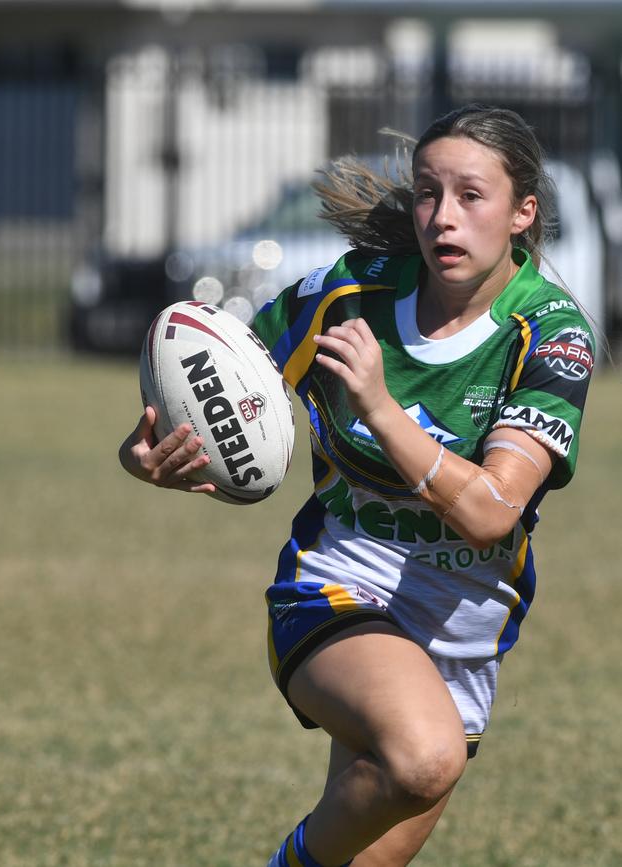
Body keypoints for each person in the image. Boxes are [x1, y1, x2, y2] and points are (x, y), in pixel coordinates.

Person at [119, 104, 595, 866]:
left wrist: (378, 405)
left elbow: (492, 513)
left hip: (459, 636)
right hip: (338, 589)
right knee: (425, 756)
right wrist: (147, 454)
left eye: (471, 196)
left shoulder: (550, 334)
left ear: (522, 212)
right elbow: (226, 392)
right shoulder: (349, 295)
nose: (443, 217)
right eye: (429, 193)